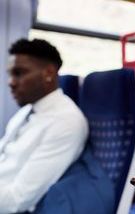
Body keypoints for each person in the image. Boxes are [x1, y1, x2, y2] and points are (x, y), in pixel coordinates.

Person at [0, 38, 88, 213]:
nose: (11, 82)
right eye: (10, 74)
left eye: (19, 73)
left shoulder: (66, 122)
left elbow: (16, 200)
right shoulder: (25, 112)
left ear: (48, 73)